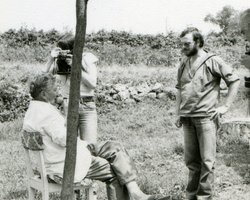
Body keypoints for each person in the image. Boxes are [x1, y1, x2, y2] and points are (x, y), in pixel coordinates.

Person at [22, 73, 168, 200]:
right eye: (54, 90)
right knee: (116, 172)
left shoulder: (32, 110)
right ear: (43, 94)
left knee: (114, 146)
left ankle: (136, 193)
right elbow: (64, 140)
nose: (58, 92)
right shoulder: (47, 113)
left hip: (57, 160)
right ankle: (136, 194)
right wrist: (69, 122)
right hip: (65, 164)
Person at [175, 27, 240, 200]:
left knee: (207, 162)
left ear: (198, 42)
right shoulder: (183, 62)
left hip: (206, 119)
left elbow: (234, 81)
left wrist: (225, 106)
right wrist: (177, 113)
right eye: (182, 44)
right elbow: (180, 89)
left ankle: (204, 198)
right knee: (191, 162)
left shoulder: (213, 60)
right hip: (187, 118)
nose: (184, 47)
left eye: (187, 44)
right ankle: (191, 196)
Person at [46, 35, 98, 144]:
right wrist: (51, 59)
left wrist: (76, 66)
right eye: (63, 51)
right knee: (69, 145)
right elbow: (43, 79)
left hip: (86, 105)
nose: (65, 54)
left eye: (67, 51)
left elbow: (92, 83)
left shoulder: (87, 58)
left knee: (90, 146)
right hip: (68, 104)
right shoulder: (60, 61)